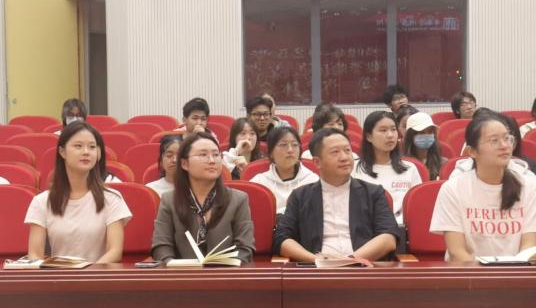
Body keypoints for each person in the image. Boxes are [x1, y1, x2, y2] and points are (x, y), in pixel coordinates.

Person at [430, 111, 536, 261]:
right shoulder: (453, 189)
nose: (504, 146)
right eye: (494, 140)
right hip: (468, 272)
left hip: (516, 272)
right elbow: (457, 252)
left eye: (507, 138)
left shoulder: (529, 186)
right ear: (472, 151)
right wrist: (485, 274)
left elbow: (528, 246)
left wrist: (513, 272)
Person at [273, 128, 399, 262]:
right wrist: (317, 260)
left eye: (347, 150)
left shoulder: (373, 193)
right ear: (317, 162)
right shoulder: (300, 196)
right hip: (315, 269)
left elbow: (388, 237)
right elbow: (282, 239)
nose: (344, 157)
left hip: (363, 266)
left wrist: (349, 260)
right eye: (335, 152)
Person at [24, 122, 132, 263]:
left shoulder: (112, 199)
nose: (86, 152)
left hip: (98, 273)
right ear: (62, 152)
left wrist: (89, 273)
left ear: (98, 153)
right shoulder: (42, 201)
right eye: (78, 146)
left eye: (92, 147)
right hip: (57, 274)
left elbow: (115, 252)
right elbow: (34, 254)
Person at [151, 132, 255, 263]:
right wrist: (173, 265)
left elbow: (245, 248)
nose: (212, 160)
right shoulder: (169, 200)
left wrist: (227, 267)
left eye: (216, 155)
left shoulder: (238, 199)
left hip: (226, 272)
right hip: (182, 273)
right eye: (203, 155)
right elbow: (161, 246)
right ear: (184, 164)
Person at [352, 111, 422, 224]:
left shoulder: (410, 168)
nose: (390, 135)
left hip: (402, 228)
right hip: (366, 227)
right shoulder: (354, 168)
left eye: (393, 129)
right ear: (369, 136)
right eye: (383, 130)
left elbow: (416, 206)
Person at [250, 126, 319, 214]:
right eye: (283, 145)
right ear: (271, 152)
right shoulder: (259, 183)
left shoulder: (312, 182)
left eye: (295, 145)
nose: (290, 150)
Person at [402, 111, 446, 180]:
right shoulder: (402, 164)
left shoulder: (443, 163)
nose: (426, 135)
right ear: (410, 136)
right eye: (421, 132)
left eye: (430, 131)